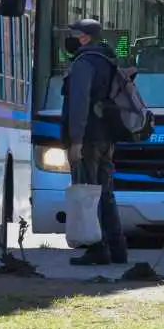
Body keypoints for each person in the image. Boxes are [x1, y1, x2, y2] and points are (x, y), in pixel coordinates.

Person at [61, 18, 128, 266]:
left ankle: (97, 248)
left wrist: (75, 141)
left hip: (88, 138)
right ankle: (118, 248)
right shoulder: (108, 60)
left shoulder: (83, 63)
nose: (68, 39)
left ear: (85, 38)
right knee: (105, 193)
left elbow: (78, 104)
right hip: (107, 137)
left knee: (88, 193)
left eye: (74, 34)